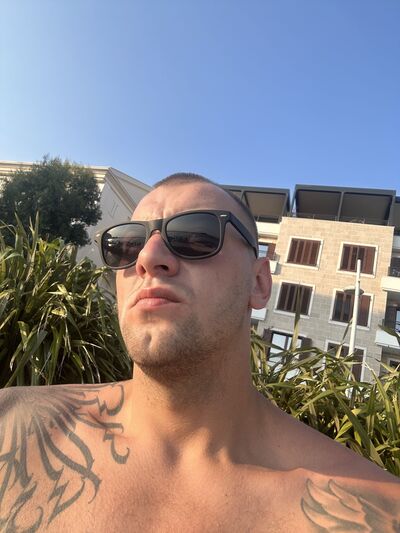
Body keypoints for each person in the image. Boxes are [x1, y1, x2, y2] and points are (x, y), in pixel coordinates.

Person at [1, 173, 399, 532]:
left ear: (259, 284)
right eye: (126, 245)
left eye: (196, 236)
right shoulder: (12, 429)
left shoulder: (372, 511)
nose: (147, 259)